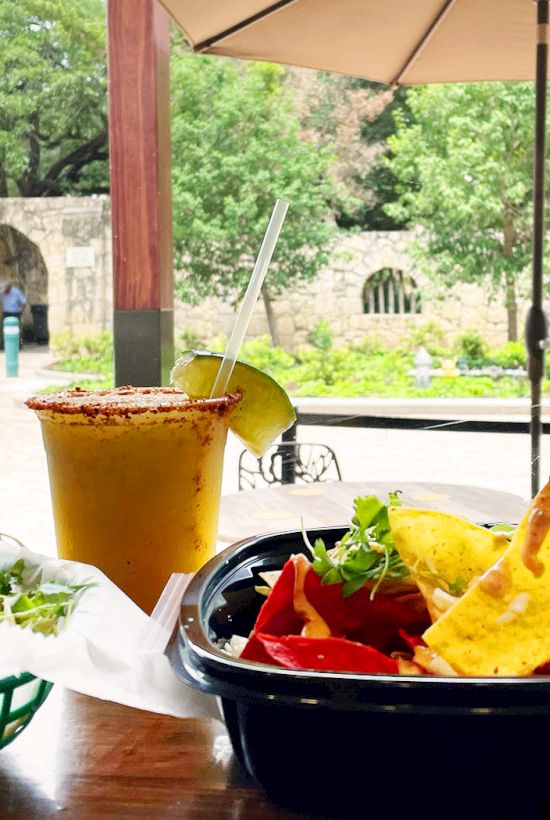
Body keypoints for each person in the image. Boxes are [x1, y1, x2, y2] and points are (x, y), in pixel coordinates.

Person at [1, 282, 26, 350]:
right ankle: (4, 345)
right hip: (6, 313)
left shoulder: (16, 292)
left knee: (16, 329)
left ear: (9, 288)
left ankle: (18, 346)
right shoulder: (2, 292)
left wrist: (20, 311)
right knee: (4, 329)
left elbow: (23, 302)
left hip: (15, 313)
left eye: (5, 290)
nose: (4, 292)